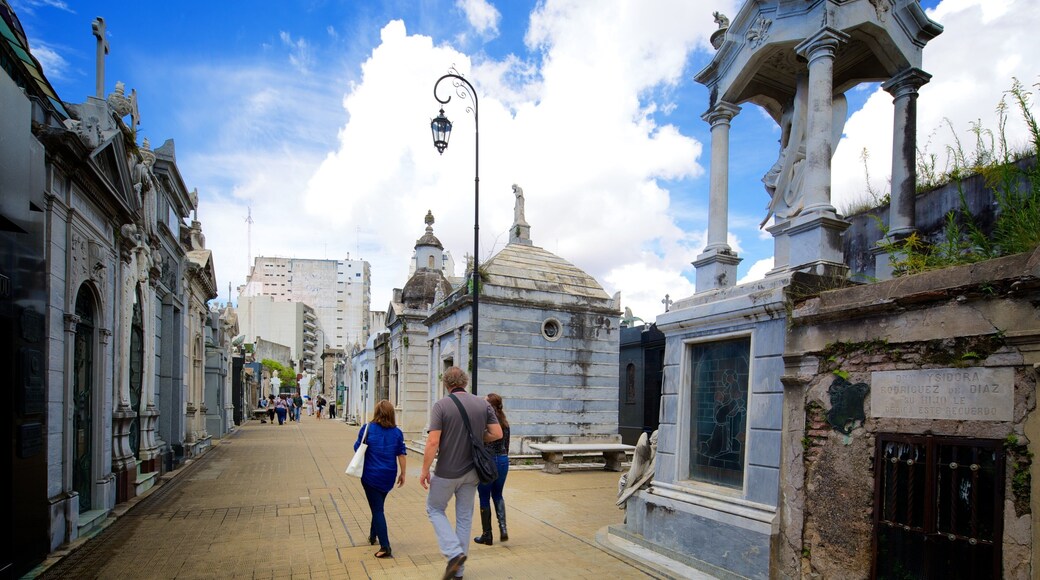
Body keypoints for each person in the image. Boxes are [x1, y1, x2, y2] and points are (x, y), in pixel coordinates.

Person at [420, 367, 502, 580]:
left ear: (446, 383)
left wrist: (424, 470)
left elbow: (433, 441)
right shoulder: (482, 404)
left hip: (447, 471)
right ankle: (459, 572)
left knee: (434, 508)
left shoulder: (441, 405)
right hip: (472, 472)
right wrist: (476, 437)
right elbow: (497, 433)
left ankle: (454, 554)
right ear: (464, 382)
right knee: (464, 518)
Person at [353, 400, 407, 559]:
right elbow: (401, 454)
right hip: (388, 475)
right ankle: (372, 536)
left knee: (377, 509)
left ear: (376, 412)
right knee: (378, 505)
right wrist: (403, 474)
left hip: (370, 475)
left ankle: (385, 546)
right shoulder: (397, 432)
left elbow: (357, 448)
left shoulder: (367, 428)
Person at [473, 393, 510, 546]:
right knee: (498, 495)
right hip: (502, 460)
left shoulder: (486, 421)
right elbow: (506, 446)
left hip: (487, 462)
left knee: (484, 497)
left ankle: (487, 535)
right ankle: (503, 529)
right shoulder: (505, 423)